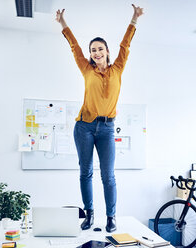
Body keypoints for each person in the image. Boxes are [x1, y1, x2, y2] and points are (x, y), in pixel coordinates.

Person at [55, 4, 143, 232]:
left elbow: (126, 44)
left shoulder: (117, 69)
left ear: (106, 51)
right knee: (85, 172)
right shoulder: (86, 68)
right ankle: (89, 214)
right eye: (93, 49)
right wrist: (63, 24)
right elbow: (74, 46)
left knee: (108, 176)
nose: (96, 52)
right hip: (84, 127)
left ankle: (111, 217)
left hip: (107, 129)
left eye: (100, 49)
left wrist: (134, 18)